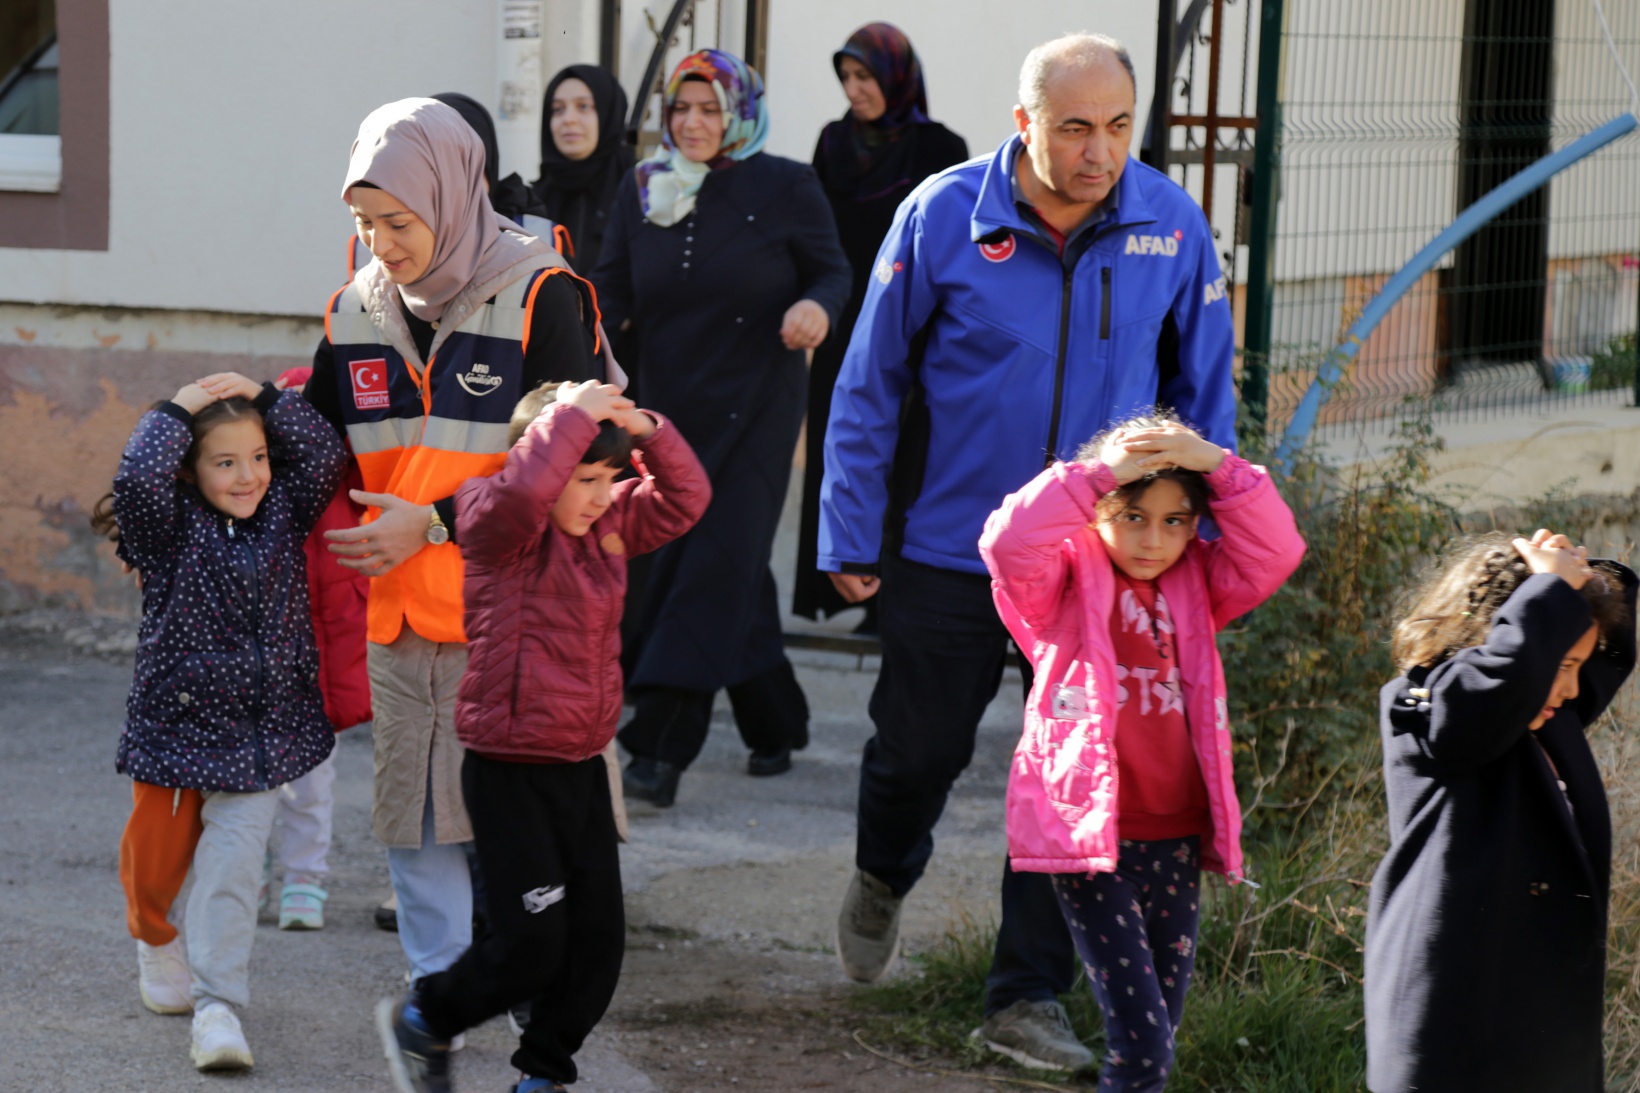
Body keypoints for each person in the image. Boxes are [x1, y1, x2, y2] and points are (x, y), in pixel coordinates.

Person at [818, 33, 1237, 1071]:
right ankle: (881, 872)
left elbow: (1205, 403)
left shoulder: (1170, 228)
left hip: (1100, 564)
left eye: (1116, 127)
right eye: (1072, 128)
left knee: (1074, 782)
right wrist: (848, 527)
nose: (1098, 152)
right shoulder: (942, 216)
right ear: (1023, 125)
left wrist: (1202, 547)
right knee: (915, 752)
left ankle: (1022, 993)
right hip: (954, 550)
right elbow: (869, 380)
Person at [303, 98, 603, 991]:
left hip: (517, 619)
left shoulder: (541, 293)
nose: (381, 243)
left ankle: (527, 1002)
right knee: (415, 826)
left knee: (516, 834)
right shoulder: (354, 311)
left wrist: (429, 522)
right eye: (364, 223)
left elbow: (568, 459)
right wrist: (194, 442)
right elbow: (310, 442)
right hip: (403, 626)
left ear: (453, 193)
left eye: (398, 221)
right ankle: (438, 1000)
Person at [377, 378, 708, 1093]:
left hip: (580, 765)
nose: (600, 494)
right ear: (543, 460)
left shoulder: (609, 530)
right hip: (508, 768)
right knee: (531, 945)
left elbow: (686, 499)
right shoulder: (497, 524)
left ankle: (543, 1075)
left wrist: (647, 426)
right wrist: (573, 417)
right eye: (584, 478)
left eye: (609, 478)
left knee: (596, 947)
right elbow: (525, 496)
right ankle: (426, 1018)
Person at [980, 413, 1304, 1090]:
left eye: (1175, 521)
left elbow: (1276, 550)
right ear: (1097, 510)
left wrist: (1215, 462)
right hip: (1096, 841)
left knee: (1157, 1035)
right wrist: (1102, 471)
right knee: (1144, 1050)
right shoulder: (1059, 583)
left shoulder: (1201, 583)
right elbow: (1008, 541)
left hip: (1177, 836)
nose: (1153, 539)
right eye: (1132, 515)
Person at [591, 49, 851, 807]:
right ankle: (776, 720)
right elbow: (608, 289)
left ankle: (657, 748)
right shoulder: (644, 187)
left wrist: (817, 309)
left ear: (739, 110)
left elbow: (832, 272)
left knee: (712, 560)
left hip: (759, 403)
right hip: (671, 406)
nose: (693, 123)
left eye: (709, 108)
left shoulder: (788, 185)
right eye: (681, 109)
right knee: (717, 565)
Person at [99, 372, 345, 1071]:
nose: (249, 476)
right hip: (176, 734)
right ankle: (154, 934)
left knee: (231, 873)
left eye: (259, 456)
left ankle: (217, 1009)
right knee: (156, 871)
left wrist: (266, 397)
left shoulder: (285, 512)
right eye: (225, 461)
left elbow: (323, 454)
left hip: (258, 737)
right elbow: (139, 477)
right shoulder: (165, 527)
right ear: (190, 467)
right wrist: (181, 405)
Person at [1365, 531, 1636, 1093]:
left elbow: (1612, 640)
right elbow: (1480, 700)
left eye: (1575, 667)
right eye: (1560, 663)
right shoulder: (1424, 704)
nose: (1567, 688)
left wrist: (1578, 574)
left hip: (1536, 1045)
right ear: (1492, 632)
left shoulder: (1543, 717)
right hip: (1455, 1039)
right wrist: (1547, 588)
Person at [794, 22, 968, 628]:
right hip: (847, 320)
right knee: (844, 442)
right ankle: (842, 576)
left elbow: (952, 242)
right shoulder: (832, 143)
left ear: (895, 76)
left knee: (910, 447)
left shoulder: (939, 148)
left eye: (865, 75)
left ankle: (895, 585)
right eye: (846, 77)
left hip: (917, 322)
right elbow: (818, 236)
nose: (854, 88)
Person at [256, 367, 374, 932]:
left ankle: (305, 876)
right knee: (248, 780)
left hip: (322, 666)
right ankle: (248, 870)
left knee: (311, 781)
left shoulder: (353, 485)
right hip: (262, 658)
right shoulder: (262, 490)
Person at [533, 65, 634, 275]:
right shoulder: (534, 200)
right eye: (558, 109)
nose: (568, 119)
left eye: (584, 106)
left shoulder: (639, 193)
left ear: (608, 112)